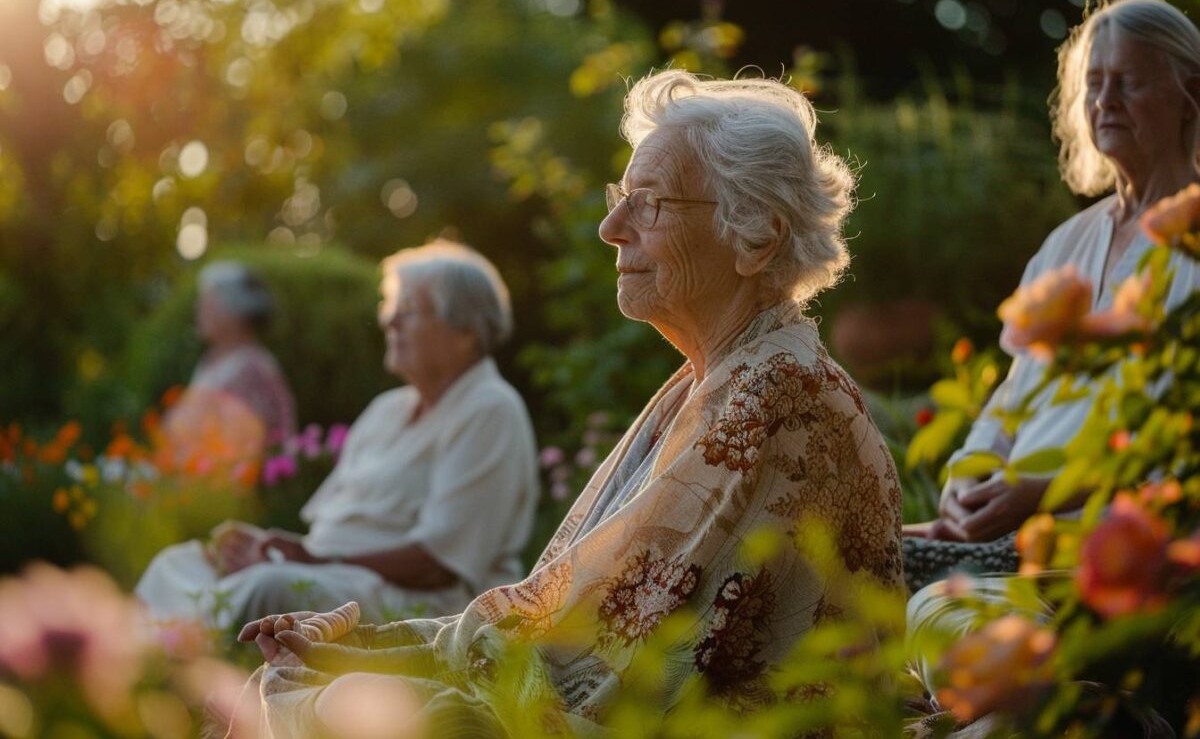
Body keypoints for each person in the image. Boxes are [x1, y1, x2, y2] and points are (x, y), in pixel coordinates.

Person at [225, 70, 904, 739]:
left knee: (346, 701)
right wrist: (367, 645)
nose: (612, 226)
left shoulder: (770, 393)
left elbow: (590, 647)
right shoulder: (724, 376)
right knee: (324, 690)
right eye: (621, 196)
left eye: (650, 201)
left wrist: (371, 650)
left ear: (755, 236)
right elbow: (574, 614)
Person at [906, 0, 1200, 723]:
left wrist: (1043, 492)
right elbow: (1008, 400)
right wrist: (967, 485)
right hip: (1008, 532)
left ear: (1191, 90)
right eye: (1092, 83)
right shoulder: (1070, 242)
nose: (1105, 100)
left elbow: (1182, 442)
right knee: (823, 563)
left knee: (942, 608)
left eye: (1129, 82)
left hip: (1122, 549)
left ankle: (1027, 705)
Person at [137, 241, 540, 628]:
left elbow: (439, 564)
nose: (390, 321)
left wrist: (310, 563)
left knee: (268, 588)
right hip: (336, 575)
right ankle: (149, 669)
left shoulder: (490, 409)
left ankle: (177, 668)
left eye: (410, 310)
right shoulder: (387, 410)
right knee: (179, 564)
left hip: (417, 600)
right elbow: (328, 535)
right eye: (391, 308)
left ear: (466, 331)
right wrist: (269, 549)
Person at [159, 261, 297, 464]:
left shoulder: (254, 368)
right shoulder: (209, 362)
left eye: (207, 302)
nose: (198, 309)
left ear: (234, 309)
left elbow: (252, 444)